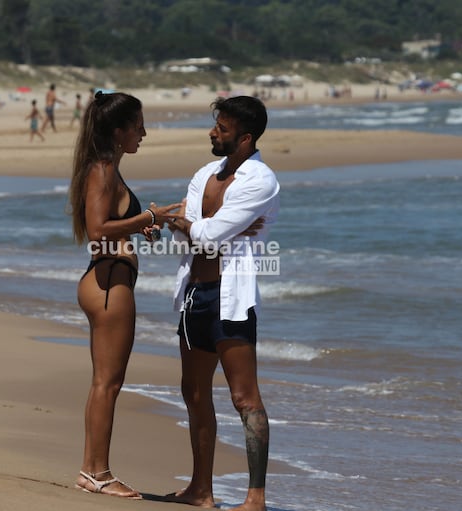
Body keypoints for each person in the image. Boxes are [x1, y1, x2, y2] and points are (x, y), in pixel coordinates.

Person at [165, 96, 280, 511]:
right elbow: (190, 232)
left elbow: (208, 235)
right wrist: (186, 224)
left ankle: (256, 498)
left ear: (246, 138)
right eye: (215, 125)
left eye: (223, 128)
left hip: (230, 299)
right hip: (193, 293)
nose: (213, 132)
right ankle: (201, 489)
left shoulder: (260, 180)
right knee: (193, 393)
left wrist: (183, 222)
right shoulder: (204, 174)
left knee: (244, 398)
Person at [68, 91, 180, 500]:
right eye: (138, 126)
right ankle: (97, 472)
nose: (144, 133)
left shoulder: (106, 167)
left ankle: (92, 471)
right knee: (108, 384)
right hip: (109, 283)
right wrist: (149, 216)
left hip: (105, 279)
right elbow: (98, 230)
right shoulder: (102, 170)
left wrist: (140, 226)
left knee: (104, 383)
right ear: (118, 131)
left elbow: (110, 223)